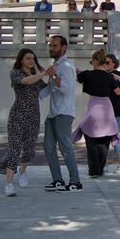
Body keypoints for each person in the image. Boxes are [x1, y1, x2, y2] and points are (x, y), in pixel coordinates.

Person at [0, 48, 54, 196]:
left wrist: (54, 77)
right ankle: (8, 184)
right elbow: (25, 81)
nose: (31, 61)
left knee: (29, 148)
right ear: (21, 60)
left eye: (33, 58)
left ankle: (22, 172)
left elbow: (47, 90)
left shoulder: (36, 76)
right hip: (17, 116)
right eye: (28, 58)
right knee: (14, 149)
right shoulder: (16, 73)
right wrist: (45, 73)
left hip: (33, 116)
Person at [40, 35, 82, 192]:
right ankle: (57, 180)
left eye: (55, 46)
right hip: (53, 113)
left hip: (63, 113)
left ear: (64, 48)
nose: (51, 48)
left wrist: (53, 75)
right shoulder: (57, 65)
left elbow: (65, 88)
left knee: (65, 147)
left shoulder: (66, 65)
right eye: (51, 45)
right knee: (48, 146)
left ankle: (76, 182)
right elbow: (50, 89)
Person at [73, 49, 120, 178]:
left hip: (94, 106)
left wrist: (78, 71)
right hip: (107, 107)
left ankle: (94, 170)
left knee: (91, 140)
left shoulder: (88, 74)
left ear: (94, 61)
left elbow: (77, 77)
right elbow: (117, 91)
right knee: (105, 140)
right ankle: (100, 168)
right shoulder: (110, 76)